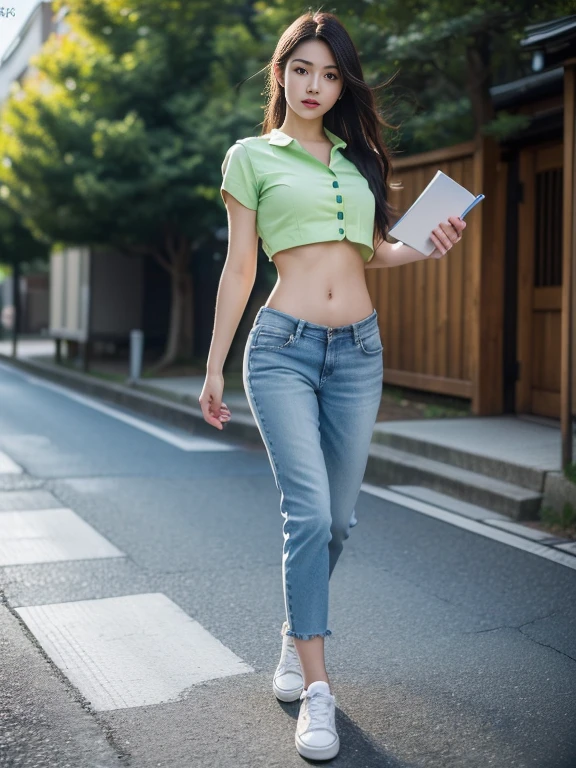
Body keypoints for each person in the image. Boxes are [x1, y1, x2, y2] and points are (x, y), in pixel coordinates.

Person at [199, 10, 466, 762]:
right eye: (302, 69)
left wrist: (429, 241)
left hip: (358, 353)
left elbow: (376, 252)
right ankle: (316, 688)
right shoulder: (252, 156)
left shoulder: (360, 159)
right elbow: (241, 268)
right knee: (309, 512)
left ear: (341, 83)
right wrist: (215, 365)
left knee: (340, 522)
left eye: (330, 74)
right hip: (281, 349)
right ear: (280, 72)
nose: (315, 85)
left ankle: (293, 635)